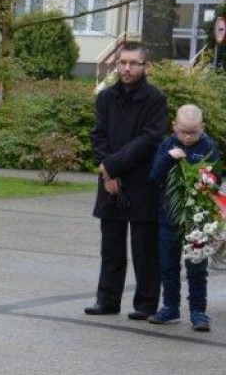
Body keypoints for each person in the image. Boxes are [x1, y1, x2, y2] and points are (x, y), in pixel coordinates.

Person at [86, 41, 168, 320]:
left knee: (145, 248)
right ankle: (106, 300)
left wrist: (111, 166)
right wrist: (108, 172)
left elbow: (150, 139)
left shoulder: (156, 99)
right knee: (111, 247)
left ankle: (146, 304)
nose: (127, 68)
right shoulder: (106, 97)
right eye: (123, 62)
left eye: (133, 63)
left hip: (143, 181)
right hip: (110, 181)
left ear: (146, 67)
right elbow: (98, 136)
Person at [148, 104, 220, 331]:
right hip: (168, 217)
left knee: (197, 266)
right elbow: (154, 177)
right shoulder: (167, 144)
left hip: (197, 220)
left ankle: (198, 312)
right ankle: (170, 307)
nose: (188, 137)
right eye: (183, 132)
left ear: (203, 127)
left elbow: (216, 180)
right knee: (168, 265)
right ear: (174, 127)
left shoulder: (209, 146)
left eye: (194, 132)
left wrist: (204, 177)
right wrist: (169, 158)